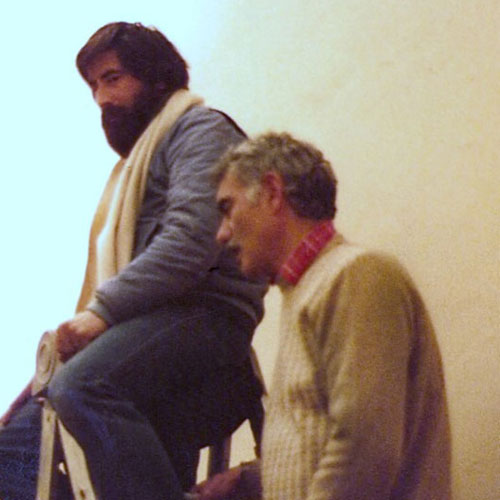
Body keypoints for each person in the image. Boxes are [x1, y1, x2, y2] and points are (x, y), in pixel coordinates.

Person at [0, 22, 267, 500]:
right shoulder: (132, 169)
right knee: (15, 446)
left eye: (113, 78)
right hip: (144, 329)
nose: (102, 99)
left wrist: (102, 313)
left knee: (82, 385)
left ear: (158, 78)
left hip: (207, 316)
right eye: (94, 87)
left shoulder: (200, 130)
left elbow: (190, 240)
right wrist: (32, 389)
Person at [193, 132, 452, 499]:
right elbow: (324, 440)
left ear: (272, 192)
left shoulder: (356, 274)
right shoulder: (311, 289)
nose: (221, 234)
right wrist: (249, 478)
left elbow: (366, 449)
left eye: (227, 208)